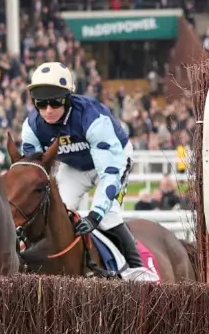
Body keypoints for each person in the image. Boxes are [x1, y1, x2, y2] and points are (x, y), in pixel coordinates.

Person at [19, 62, 157, 281]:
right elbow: (31, 175)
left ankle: (139, 272)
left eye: (55, 102)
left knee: (107, 215)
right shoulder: (31, 128)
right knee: (56, 212)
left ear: (68, 98)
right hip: (75, 167)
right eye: (41, 104)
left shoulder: (92, 118)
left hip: (113, 162)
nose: (48, 110)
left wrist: (94, 216)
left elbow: (109, 173)